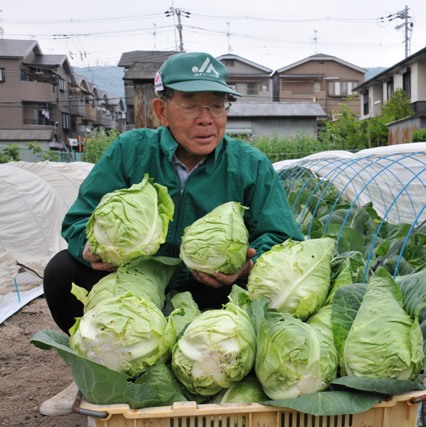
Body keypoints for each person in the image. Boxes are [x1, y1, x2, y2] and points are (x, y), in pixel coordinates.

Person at [39, 51, 304, 416]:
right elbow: (78, 219)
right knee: (61, 272)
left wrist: (245, 266)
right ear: (162, 112)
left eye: (217, 106)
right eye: (192, 106)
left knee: (274, 295)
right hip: (136, 284)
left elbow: (281, 236)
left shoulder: (250, 165)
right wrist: (89, 248)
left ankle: (212, 378)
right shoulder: (130, 152)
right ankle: (92, 369)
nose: (207, 120)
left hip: (212, 289)